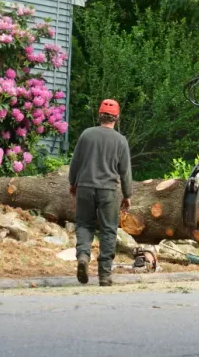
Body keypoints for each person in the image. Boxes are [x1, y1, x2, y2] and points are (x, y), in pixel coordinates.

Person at [69, 99, 133, 286]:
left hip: (85, 188)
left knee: (83, 224)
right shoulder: (120, 141)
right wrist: (128, 195)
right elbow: (125, 171)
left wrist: (73, 182)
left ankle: (83, 256)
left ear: (99, 115)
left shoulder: (86, 135)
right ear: (117, 118)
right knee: (108, 230)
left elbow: (75, 162)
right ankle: (104, 275)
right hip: (108, 191)